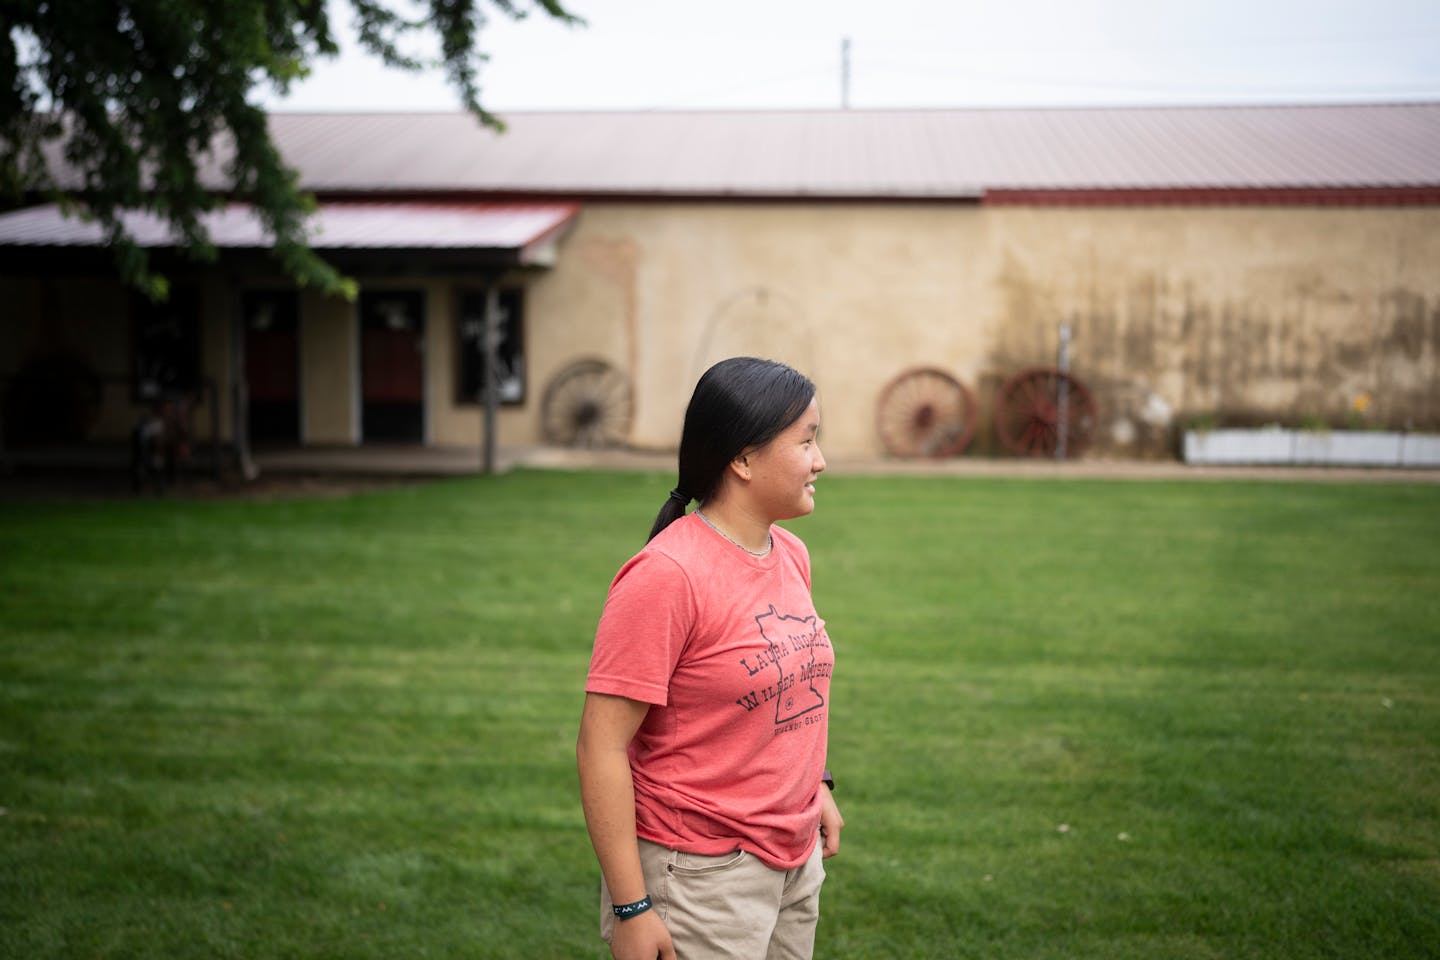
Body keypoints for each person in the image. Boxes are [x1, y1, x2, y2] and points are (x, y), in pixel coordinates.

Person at [577, 357, 844, 960]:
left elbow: (790, 681)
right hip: (697, 879)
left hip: (792, 862)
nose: (820, 461)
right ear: (743, 459)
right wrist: (632, 907)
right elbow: (601, 745)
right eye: (806, 441)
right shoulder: (667, 576)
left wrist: (816, 784)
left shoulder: (791, 553)